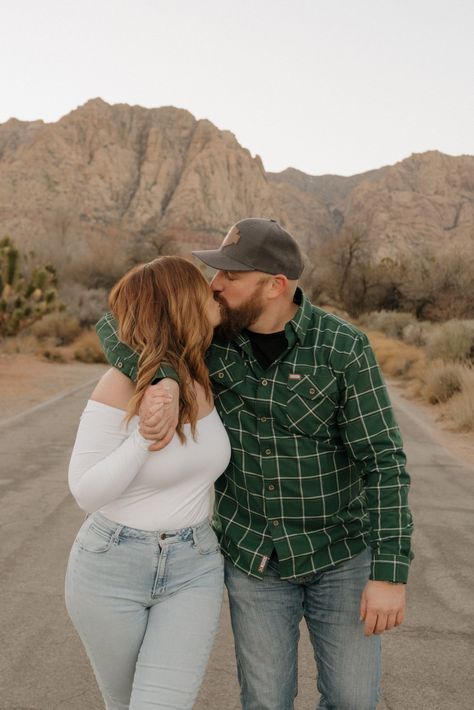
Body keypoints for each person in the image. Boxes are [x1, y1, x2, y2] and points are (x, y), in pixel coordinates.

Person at [96, 218, 414, 710]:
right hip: (254, 559)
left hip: (340, 554)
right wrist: (165, 377)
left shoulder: (343, 348)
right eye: (215, 273)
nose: (215, 285)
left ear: (275, 286)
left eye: (231, 276)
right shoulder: (208, 338)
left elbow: (385, 462)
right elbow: (113, 326)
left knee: (354, 700)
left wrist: (390, 574)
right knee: (265, 702)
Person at [65, 256, 231, 710]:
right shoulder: (119, 385)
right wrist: (143, 439)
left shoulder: (204, 372)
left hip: (194, 566)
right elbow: (85, 491)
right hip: (111, 566)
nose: (214, 292)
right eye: (202, 287)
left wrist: (172, 378)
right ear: (180, 305)